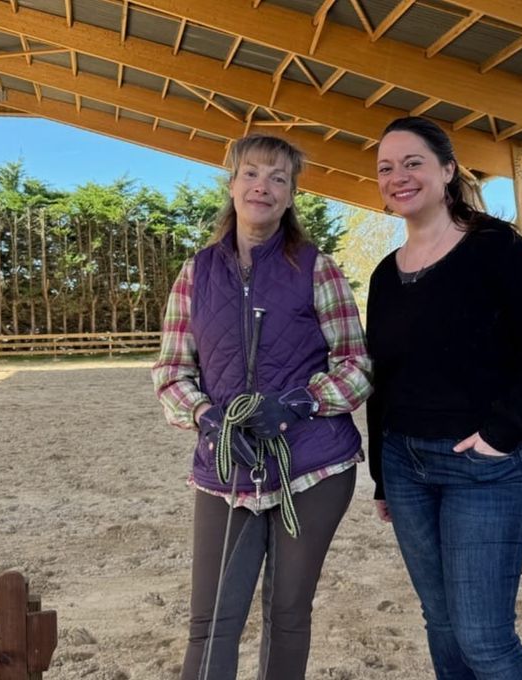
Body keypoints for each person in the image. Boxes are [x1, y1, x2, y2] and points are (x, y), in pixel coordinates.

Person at [152, 134, 372, 680]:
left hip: (312, 466)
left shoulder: (318, 269)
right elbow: (171, 372)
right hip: (227, 468)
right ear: (232, 185)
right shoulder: (195, 274)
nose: (263, 186)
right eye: (252, 173)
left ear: (292, 194)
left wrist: (297, 404)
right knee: (212, 621)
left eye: (278, 178)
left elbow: (356, 366)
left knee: (288, 615)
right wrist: (207, 419)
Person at [365, 116, 522, 679]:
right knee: (441, 623)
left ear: (448, 169)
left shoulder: (497, 248)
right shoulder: (386, 274)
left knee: (484, 638)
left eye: (413, 163)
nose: (399, 176)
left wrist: (503, 436)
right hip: (405, 467)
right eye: (386, 168)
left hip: (483, 468)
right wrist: (383, 476)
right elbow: (384, 378)